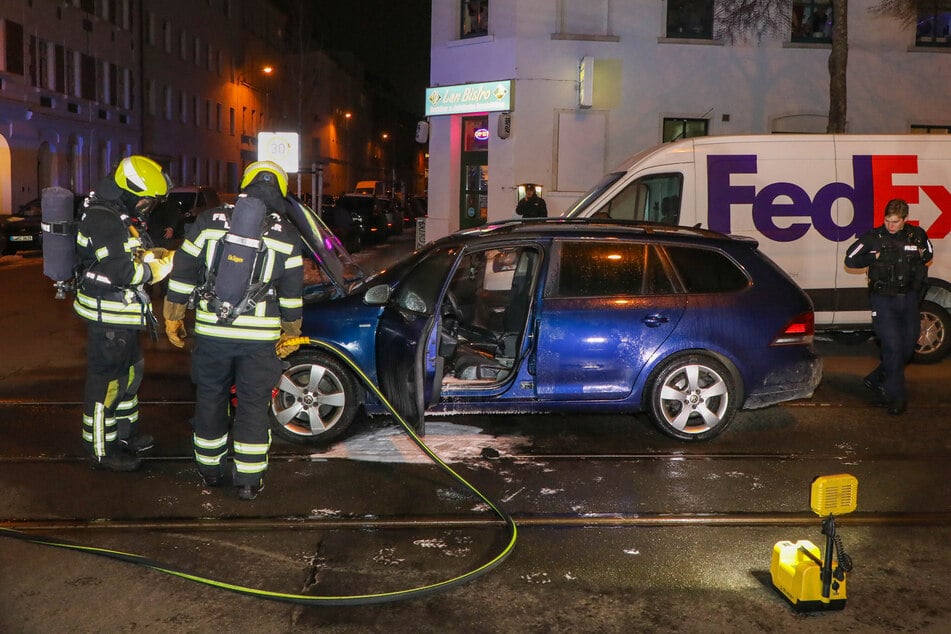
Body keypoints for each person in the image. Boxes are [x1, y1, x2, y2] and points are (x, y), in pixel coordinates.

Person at [163, 161, 304, 500]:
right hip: (261, 341)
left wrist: (174, 314)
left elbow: (183, 267)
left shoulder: (209, 221)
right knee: (253, 405)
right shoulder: (287, 234)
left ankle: (210, 471)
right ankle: (249, 481)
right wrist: (290, 330)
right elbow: (292, 292)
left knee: (210, 398)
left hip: (213, 332)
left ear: (244, 183)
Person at [73, 155, 175, 471]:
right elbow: (120, 271)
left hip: (124, 314)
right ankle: (103, 448)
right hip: (108, 318)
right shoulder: (103, 219)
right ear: (130, 192)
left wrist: (149, 256)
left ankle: (125, 433)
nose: (147, 207)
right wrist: (153, 271)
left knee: (131, 374)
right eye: (145, 201)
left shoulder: (118, 213)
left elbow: (127, 252)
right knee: (108, 384)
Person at [844, 198, 933, 415]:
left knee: (907, 345)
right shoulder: (875, 237)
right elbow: (850, 258)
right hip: (883, 300)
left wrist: (922, 254)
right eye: (887, 220)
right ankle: (895, 395)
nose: (890, 225)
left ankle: (876, 378)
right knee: (892, 347)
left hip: (909, 299)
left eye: (895, 222)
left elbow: (929, 254)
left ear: (905, 219)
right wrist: (874, 256)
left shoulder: (917, 235)